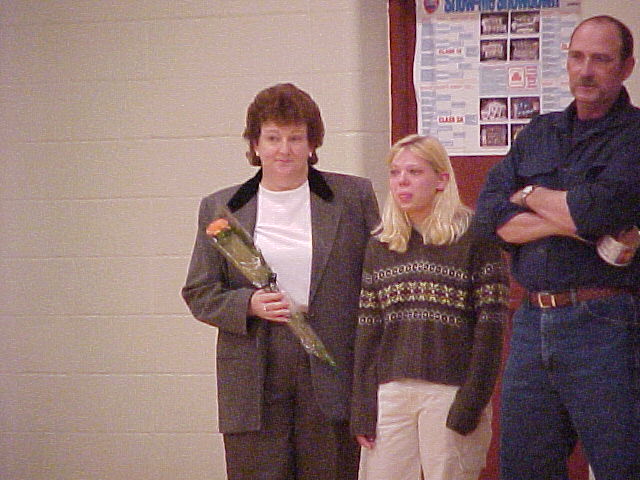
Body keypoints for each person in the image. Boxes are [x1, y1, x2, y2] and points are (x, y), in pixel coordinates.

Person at [181, 83, 379, 480]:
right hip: (254, 368)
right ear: (255, 145)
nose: (283, 149)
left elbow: (378, 280)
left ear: (312, 144)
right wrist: (248, 304)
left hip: (331, 365)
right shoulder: (221, 207)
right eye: (272, 138)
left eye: (295, 138)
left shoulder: (352, 197)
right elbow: (199, 291)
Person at [473, 15, 640, 480]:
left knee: (621, 467)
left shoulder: (635, 137)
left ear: (626, 67)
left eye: (601, 59)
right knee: (524, 469)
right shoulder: (540, 132)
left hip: (605, 322)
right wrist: (566, 219)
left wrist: (526, 196)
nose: (586, 70)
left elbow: (595, 212)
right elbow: (487, 217)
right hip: (531, 321)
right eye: (577, 57)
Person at [350, 134, 508, 480]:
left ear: (441, 179)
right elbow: (368, 333)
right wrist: (362, 405)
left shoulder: (475, 238)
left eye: (414, 172)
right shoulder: (381, 245)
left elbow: (491, 331)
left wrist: (473, 400)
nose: (402, 181)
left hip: (450, 392)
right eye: (395, 173)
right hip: (391, 393)